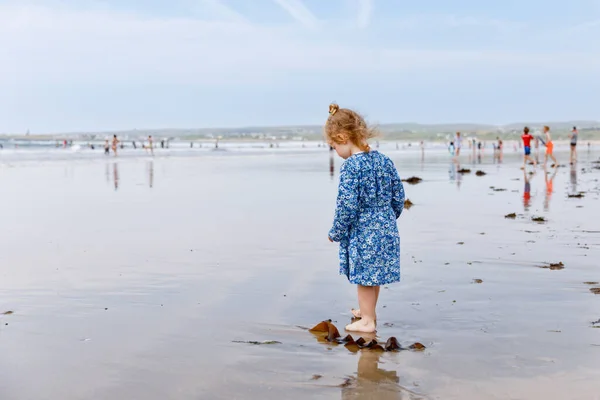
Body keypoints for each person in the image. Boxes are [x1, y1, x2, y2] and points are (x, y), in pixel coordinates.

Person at [325, 103, 404, 334]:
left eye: (333, 146)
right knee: (374, 275)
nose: (336, 152)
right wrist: (389, 218)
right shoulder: (384, 160)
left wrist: (336, 231)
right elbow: (399, 195)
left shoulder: (351, 167)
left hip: (364, 230)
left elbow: (347, 205)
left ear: (342, 137)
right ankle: (367, 311)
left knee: (364, 278)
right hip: (386, 227)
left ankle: (367, 320)